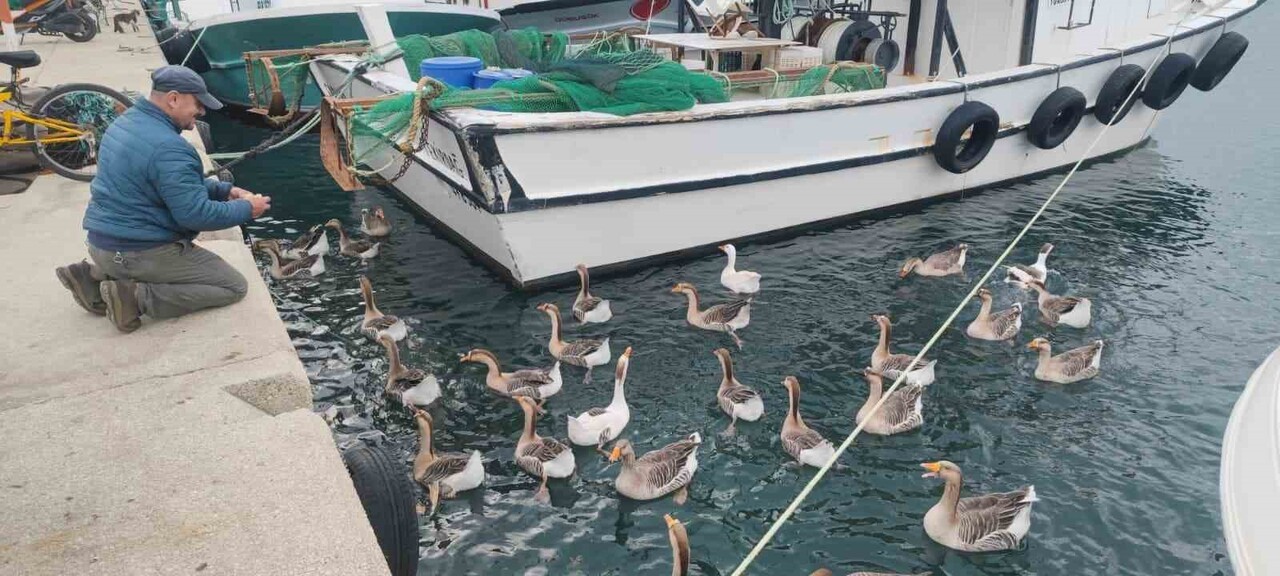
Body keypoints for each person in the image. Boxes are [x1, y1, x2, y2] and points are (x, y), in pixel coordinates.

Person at [54, 66, 271, 333]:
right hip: (136, 252)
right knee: (232, 286)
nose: (202, 112)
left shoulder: (125, 122)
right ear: (174, 99)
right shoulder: (171, 147)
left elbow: (163, 183)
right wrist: (247, 208)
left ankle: (92, 277)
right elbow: (195, 215)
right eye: (198, 104)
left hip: (101, 244)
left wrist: (223, 190)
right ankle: (134, 298)